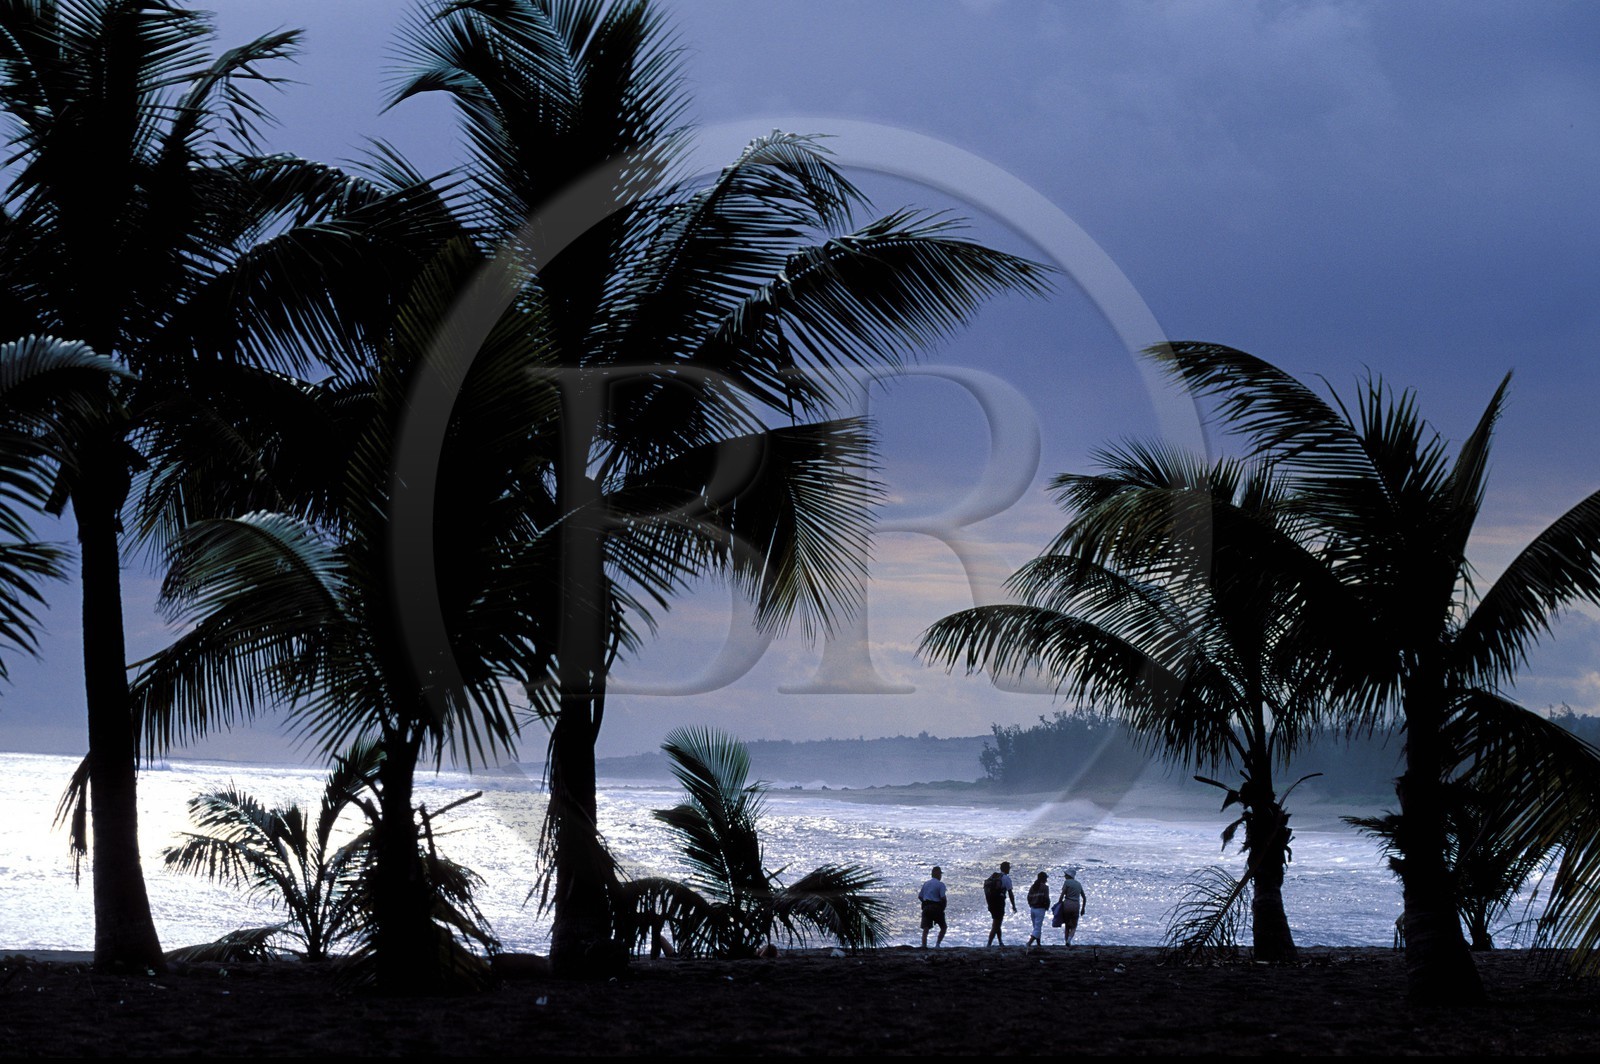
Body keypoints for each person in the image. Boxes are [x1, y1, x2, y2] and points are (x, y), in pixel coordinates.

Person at [984, 860, 1017, 946]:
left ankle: (1000, 942)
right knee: (996, 924)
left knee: (997, 922)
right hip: (999, 903)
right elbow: (1010, 893)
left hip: (991, 902)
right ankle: (989, 944)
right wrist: (1013, 906)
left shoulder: (994, 876)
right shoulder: (1006, 878)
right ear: (1006, 869)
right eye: (1009, 868)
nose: (1009, 869)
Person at [1056, 866, 1088, 946]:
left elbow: (1062, 894)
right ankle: (1069, 940)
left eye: (1065, 875)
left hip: (1067, 904)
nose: (1064, 876)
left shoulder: (1067, 882)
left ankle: (1066, 942)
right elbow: (1084, 897)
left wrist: (1058, 904)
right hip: (1076, 905)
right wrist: (1083, 908)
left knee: (1067, 925)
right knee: (1074, 925)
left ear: (1068, 875)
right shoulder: (1078, 884)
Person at [918, 865, 948, 948]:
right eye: (940, 874)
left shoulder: (926, 883)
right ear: (937, 874)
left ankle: (924, 945)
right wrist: (943, 907)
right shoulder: (941, 884)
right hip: (936, 907)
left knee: (926, 928)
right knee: (943, 927)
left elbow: (920, 896)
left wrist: (925, 903)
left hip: (926, 907)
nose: (941, 876)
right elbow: (943, 897)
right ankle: (937, 944)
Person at [1025, 871, 1051, 947]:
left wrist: (1030, 904)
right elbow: (1046, 898)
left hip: (1032, 908)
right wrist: (1047, 906)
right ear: (1044, 879)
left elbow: (1028, 897)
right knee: (1037, 927)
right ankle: (1029, 943)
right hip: (1040, 909)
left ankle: (1038, 944)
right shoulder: (1045, 887)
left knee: (1036, 927)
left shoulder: (1033, 886)